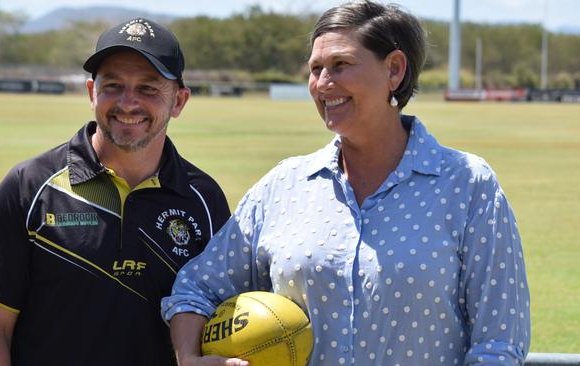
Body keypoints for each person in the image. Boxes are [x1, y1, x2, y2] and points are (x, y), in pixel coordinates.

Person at [161, 2, 530, 365]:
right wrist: (189, 358)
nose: (323, 84)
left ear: (395, 70)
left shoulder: (467, 184)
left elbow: (499, 342)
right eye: (316, 68)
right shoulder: (284, 186)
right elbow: (197, 288)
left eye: (340, 65)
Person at [0, 17, 230, 366]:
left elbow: (220, 318)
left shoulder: (204, 200)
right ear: (91, 92)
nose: (128, 103)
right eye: (113, 85)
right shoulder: (29, 185)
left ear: (179, 101)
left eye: (148, 88)